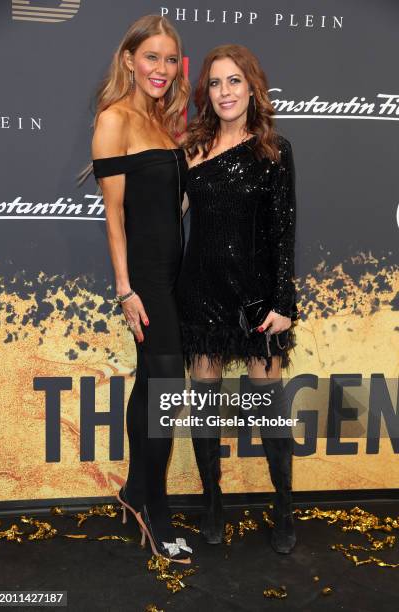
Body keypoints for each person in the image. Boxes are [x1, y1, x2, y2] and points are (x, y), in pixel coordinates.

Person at [177, 44, 298, 553]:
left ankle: (284, 508)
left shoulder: (274, 150)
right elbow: (168, 218)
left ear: (252, 87)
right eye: (215, 83)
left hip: (254, 298)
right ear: (206, 92)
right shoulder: (190, 148)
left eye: (234, 82)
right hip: (200, 294)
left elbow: (282, 234)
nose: (224, 92)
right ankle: (212, 503)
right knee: (203, 403)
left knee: (266, 406)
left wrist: (282, 301)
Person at [91, 15, 192, 563]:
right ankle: (157, 510)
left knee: (152, 385)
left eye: (170, 59)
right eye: (151, 57)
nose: (162, 68)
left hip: (175, 271)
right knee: (167, 385)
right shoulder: (115, 119)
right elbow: (113, 216)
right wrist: (126, 290)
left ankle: (134, 491)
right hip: (147, 278)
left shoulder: (161, 116)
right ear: (129, 59)